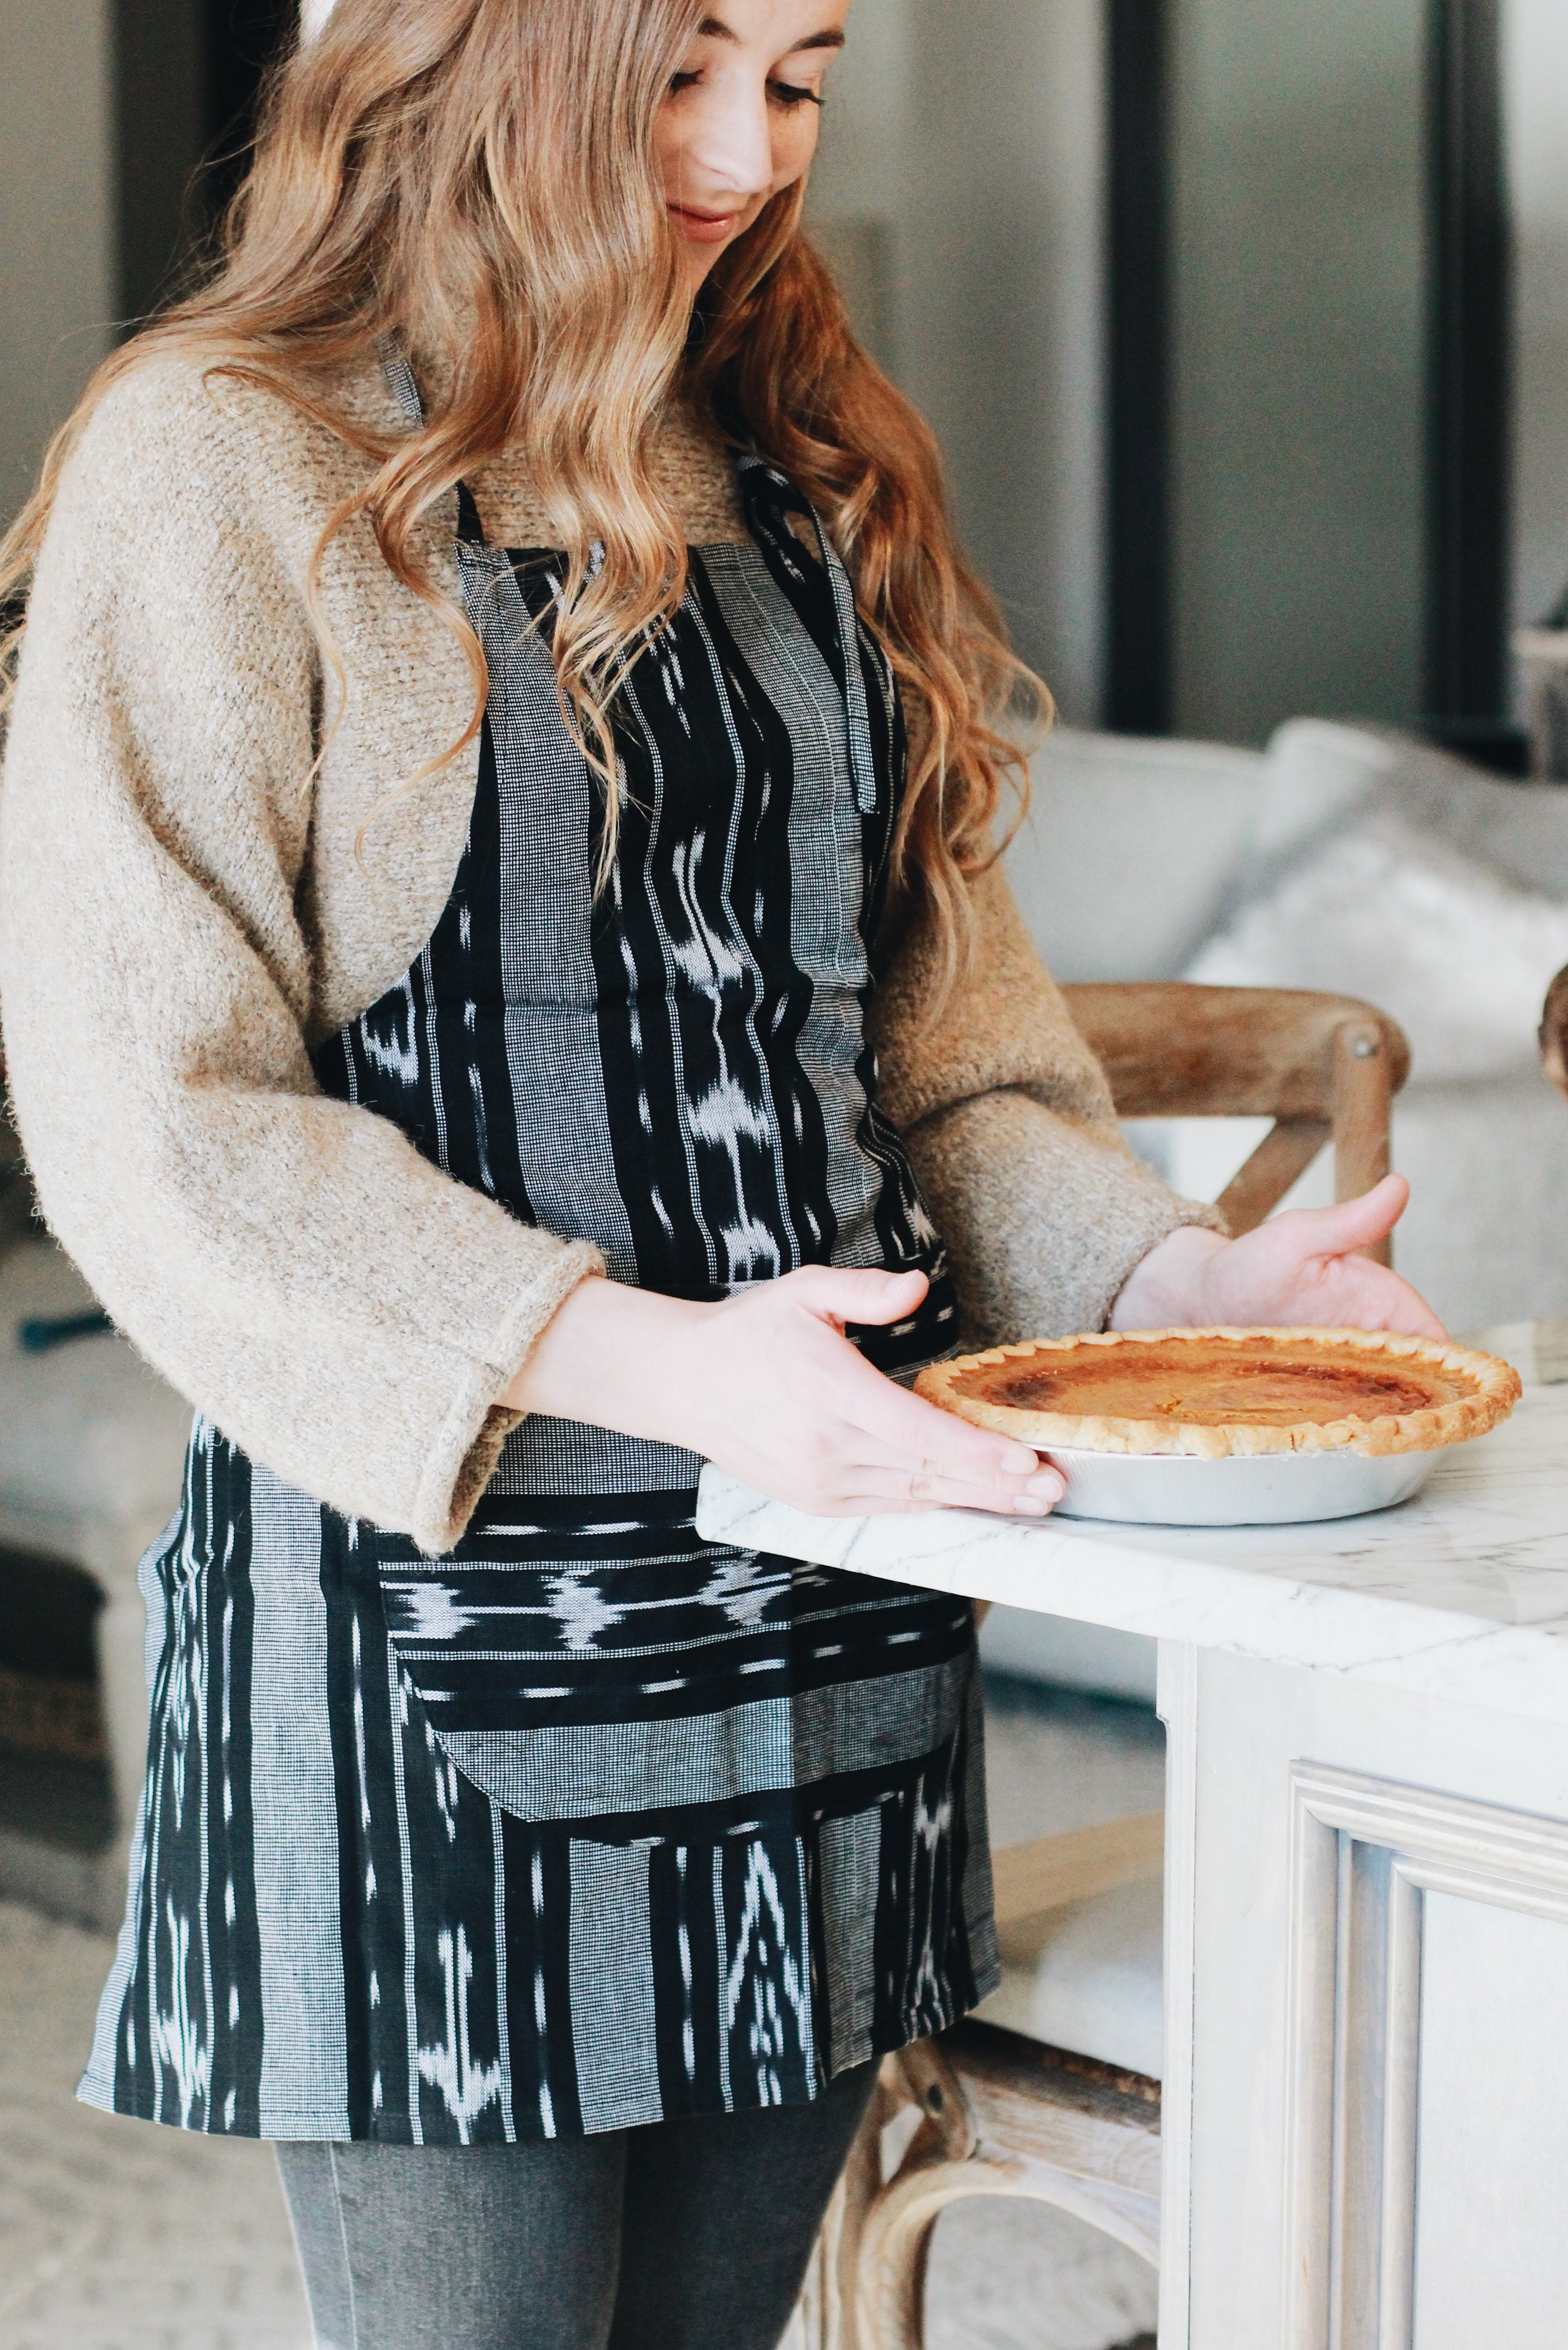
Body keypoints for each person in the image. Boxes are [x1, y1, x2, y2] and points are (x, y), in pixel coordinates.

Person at [0, 2, 1443, 2344]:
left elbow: (953, 1078)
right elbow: (162, 1123)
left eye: (798, 73)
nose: (746, 150)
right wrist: (662, 1366)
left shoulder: (796, 458)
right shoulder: (225, 460)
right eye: (680, 66)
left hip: (826, 1622)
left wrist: (1188, 1279)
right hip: (439, 1654)